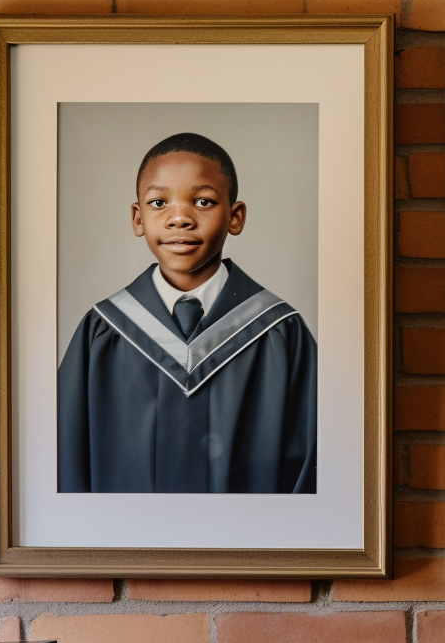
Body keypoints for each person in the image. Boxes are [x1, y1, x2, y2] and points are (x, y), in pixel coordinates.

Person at [57, 132, 317, 493]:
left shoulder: (281, 332)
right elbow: (63, 462)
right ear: (138, 218)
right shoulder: (101, 331)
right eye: (159, 202)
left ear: (235, 217)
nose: (180, 218)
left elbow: (315, 469)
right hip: (125, 547)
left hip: (248, 546)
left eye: (204, 202)